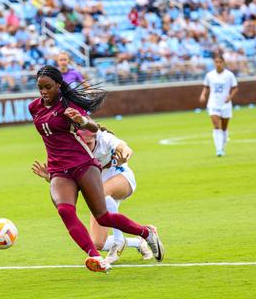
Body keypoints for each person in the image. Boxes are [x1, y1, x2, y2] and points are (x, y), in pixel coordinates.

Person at [28, 65, 164, 273]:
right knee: (65, 210)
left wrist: (82, 120)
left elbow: (93, 127)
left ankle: (146, 233)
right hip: (59, 170)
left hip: (83, 165)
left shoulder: (69, 104)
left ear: (58, 85)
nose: (43, 92)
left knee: (103, 216)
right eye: (40, 87)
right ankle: (95, 257)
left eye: (47, 87)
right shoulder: (34, 108)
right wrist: (50, 174)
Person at [32, 126, 153, 264]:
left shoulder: (104, 138)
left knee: (103, 191)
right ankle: (138, 242)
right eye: (83, 143)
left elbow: (124, 147)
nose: (86, 146)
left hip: (121, 178)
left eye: (89, 143)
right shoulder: (73, 149)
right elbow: (71, 182)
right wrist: (51, 177)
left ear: (95, 138)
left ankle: (118, 242)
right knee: (97, 243)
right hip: (97, 191)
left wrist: (125, 156)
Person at [199, 53, 238, 157]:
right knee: (217, 126)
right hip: (213, 103)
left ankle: (223, 145)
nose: (218, 64)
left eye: (220, 62)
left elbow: (235, 88)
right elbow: (206, 86)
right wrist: (203, 95)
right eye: (216, 62)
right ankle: (219, 149)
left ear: (223, 63)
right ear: (214, 63)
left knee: (224, 128)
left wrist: (230, 97)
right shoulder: (210, 75)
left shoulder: (229, 75)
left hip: (225, 104)